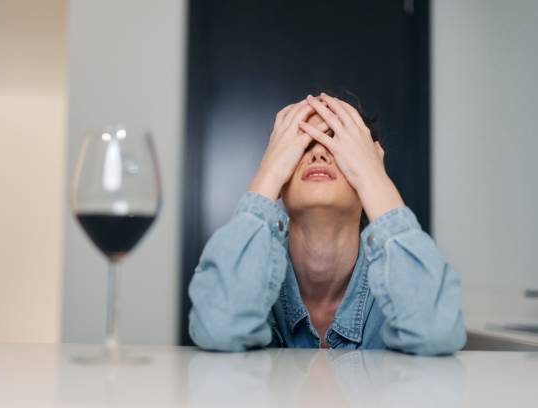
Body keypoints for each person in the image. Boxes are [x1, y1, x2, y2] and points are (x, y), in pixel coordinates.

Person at [188, 92, 466, 354]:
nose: (319, 153)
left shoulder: (396, 277)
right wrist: (267, 175)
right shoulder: (252, 270)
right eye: (302, 144)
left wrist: (375, 179)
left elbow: (435, 332)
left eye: (338, 143)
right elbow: (220, 328)